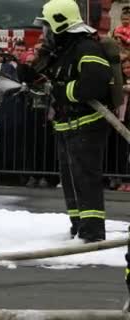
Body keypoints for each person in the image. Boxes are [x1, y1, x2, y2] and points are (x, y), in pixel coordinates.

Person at [34, 0, 112, 242]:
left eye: (47, 27)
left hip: (86, 125)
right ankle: (78, 225)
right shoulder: (62, 50)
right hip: (67, 126)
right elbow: (45, 76)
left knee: (85, 179)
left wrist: (62, 91)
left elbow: (94, 84)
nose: (43, 33)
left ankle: (93, 231)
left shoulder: (87, 48)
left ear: (60, 24)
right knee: (70, 181)